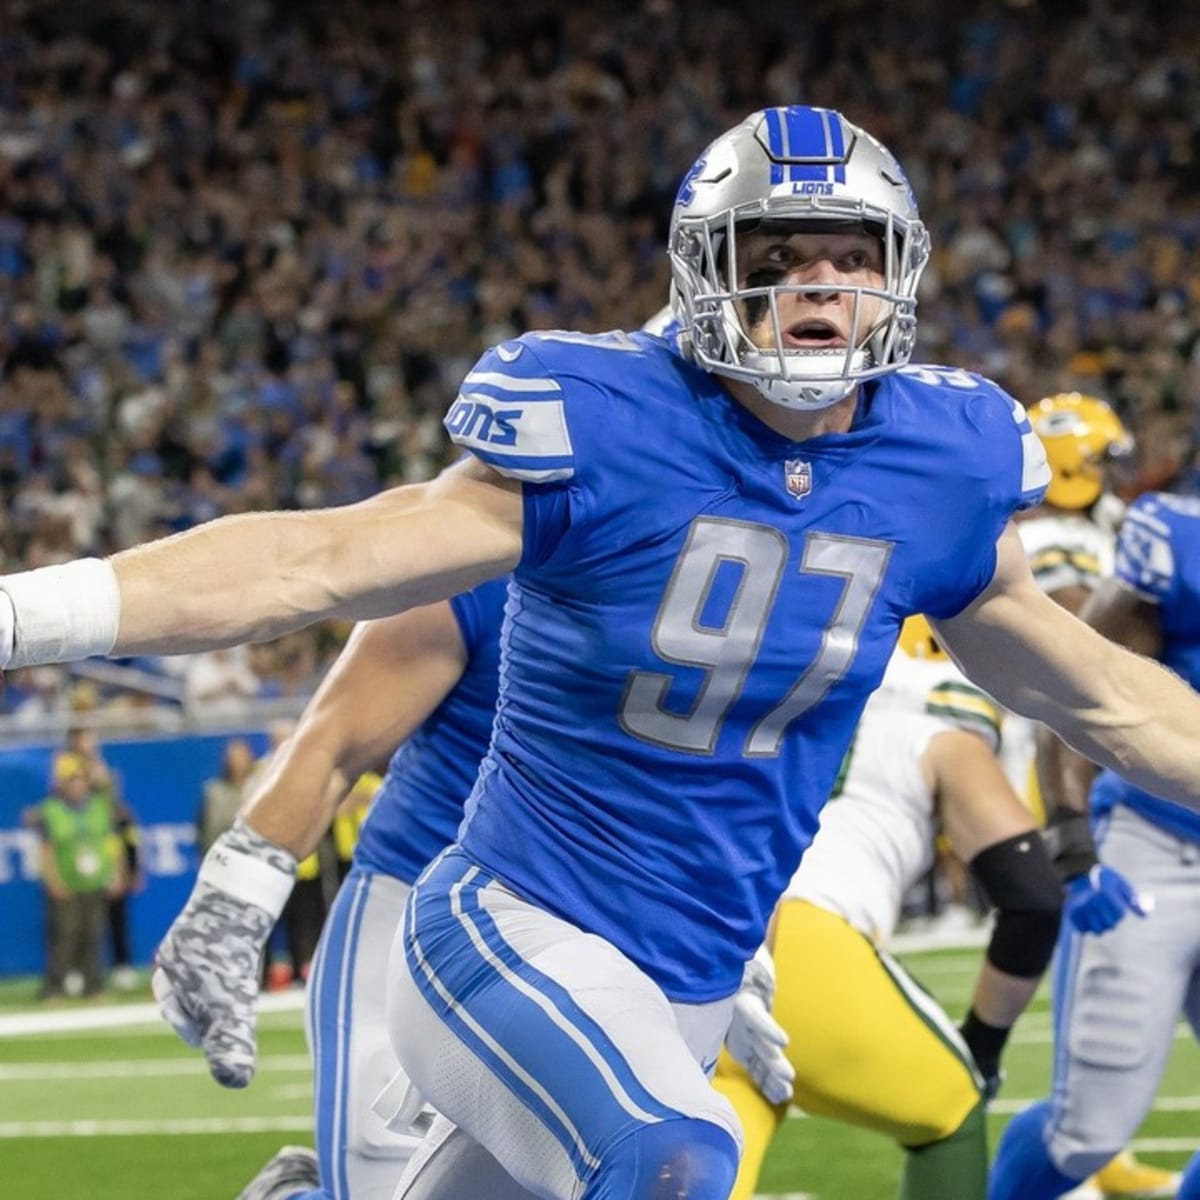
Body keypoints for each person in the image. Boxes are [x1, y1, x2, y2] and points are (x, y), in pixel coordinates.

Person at [2, 105, 1200, 1198]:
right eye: (775, 259)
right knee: (676, 1161)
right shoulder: (608, 422)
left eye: (852, 256)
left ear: (905, 273)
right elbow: (310, 563)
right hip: (508, 923)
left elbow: (1104, 698)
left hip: (698, 973)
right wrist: (27, 615)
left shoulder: (943, 464)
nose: (820, 287)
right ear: (703, 273)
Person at [712, 615, 1137, 1200]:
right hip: (809, 943)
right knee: (954, 1106)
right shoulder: (932, 724)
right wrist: (983, 1049)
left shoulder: (805, 695)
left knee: (730, 1123)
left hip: (707, 933)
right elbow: (1033, 897)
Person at [163, 577, 508, 1200]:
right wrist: (233, 896)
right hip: (415, 907)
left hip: (588, 928)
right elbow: (332, 741)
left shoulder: (723, 562)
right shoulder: (494, 552)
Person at [988, 489, 1200, 1200]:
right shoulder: (1178, 545)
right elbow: (1085, 695)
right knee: (1087, 1134)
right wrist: (1076, 847)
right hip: (1151, 844)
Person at [31, 751, 130, 999]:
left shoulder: (100, 806)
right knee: (64, 937)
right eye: (71, 780)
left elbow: (112, 841)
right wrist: (52, 879)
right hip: (66, 880)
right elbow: (46, 849)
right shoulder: (51, 810)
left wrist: (118, 872)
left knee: (94, 935)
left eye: (80, 779)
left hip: (95, 879)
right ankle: (54, 988)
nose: (77, 785)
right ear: (62, 784)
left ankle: (93, 986)